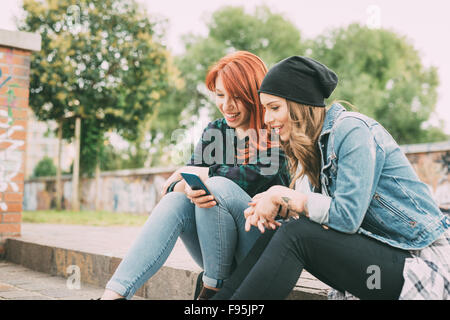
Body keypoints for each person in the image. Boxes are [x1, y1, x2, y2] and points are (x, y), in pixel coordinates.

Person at [219, 55, 450, 300]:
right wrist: (281, 207)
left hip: (421, 264)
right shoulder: (309, 149)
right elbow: (321, 221)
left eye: (274, 108)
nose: (266, 119)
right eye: (265, 109)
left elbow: (347, 216)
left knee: (295, 234)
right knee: (280, 230)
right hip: (380, 266)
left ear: (300, 105)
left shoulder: (351, 130)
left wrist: (281, 194)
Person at [99, 51, 290, 300]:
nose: (226, 106)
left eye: (237, 97)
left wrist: (203, 176)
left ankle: (212, 287)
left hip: (262, 249)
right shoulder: (216, 131)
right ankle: (113, 296)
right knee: (176, 200)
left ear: (255, 96)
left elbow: (251, 176)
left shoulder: (275, 128)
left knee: (217, 185)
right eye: (220, 95)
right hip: (219, 252)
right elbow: (172, 187)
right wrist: (190, 186)